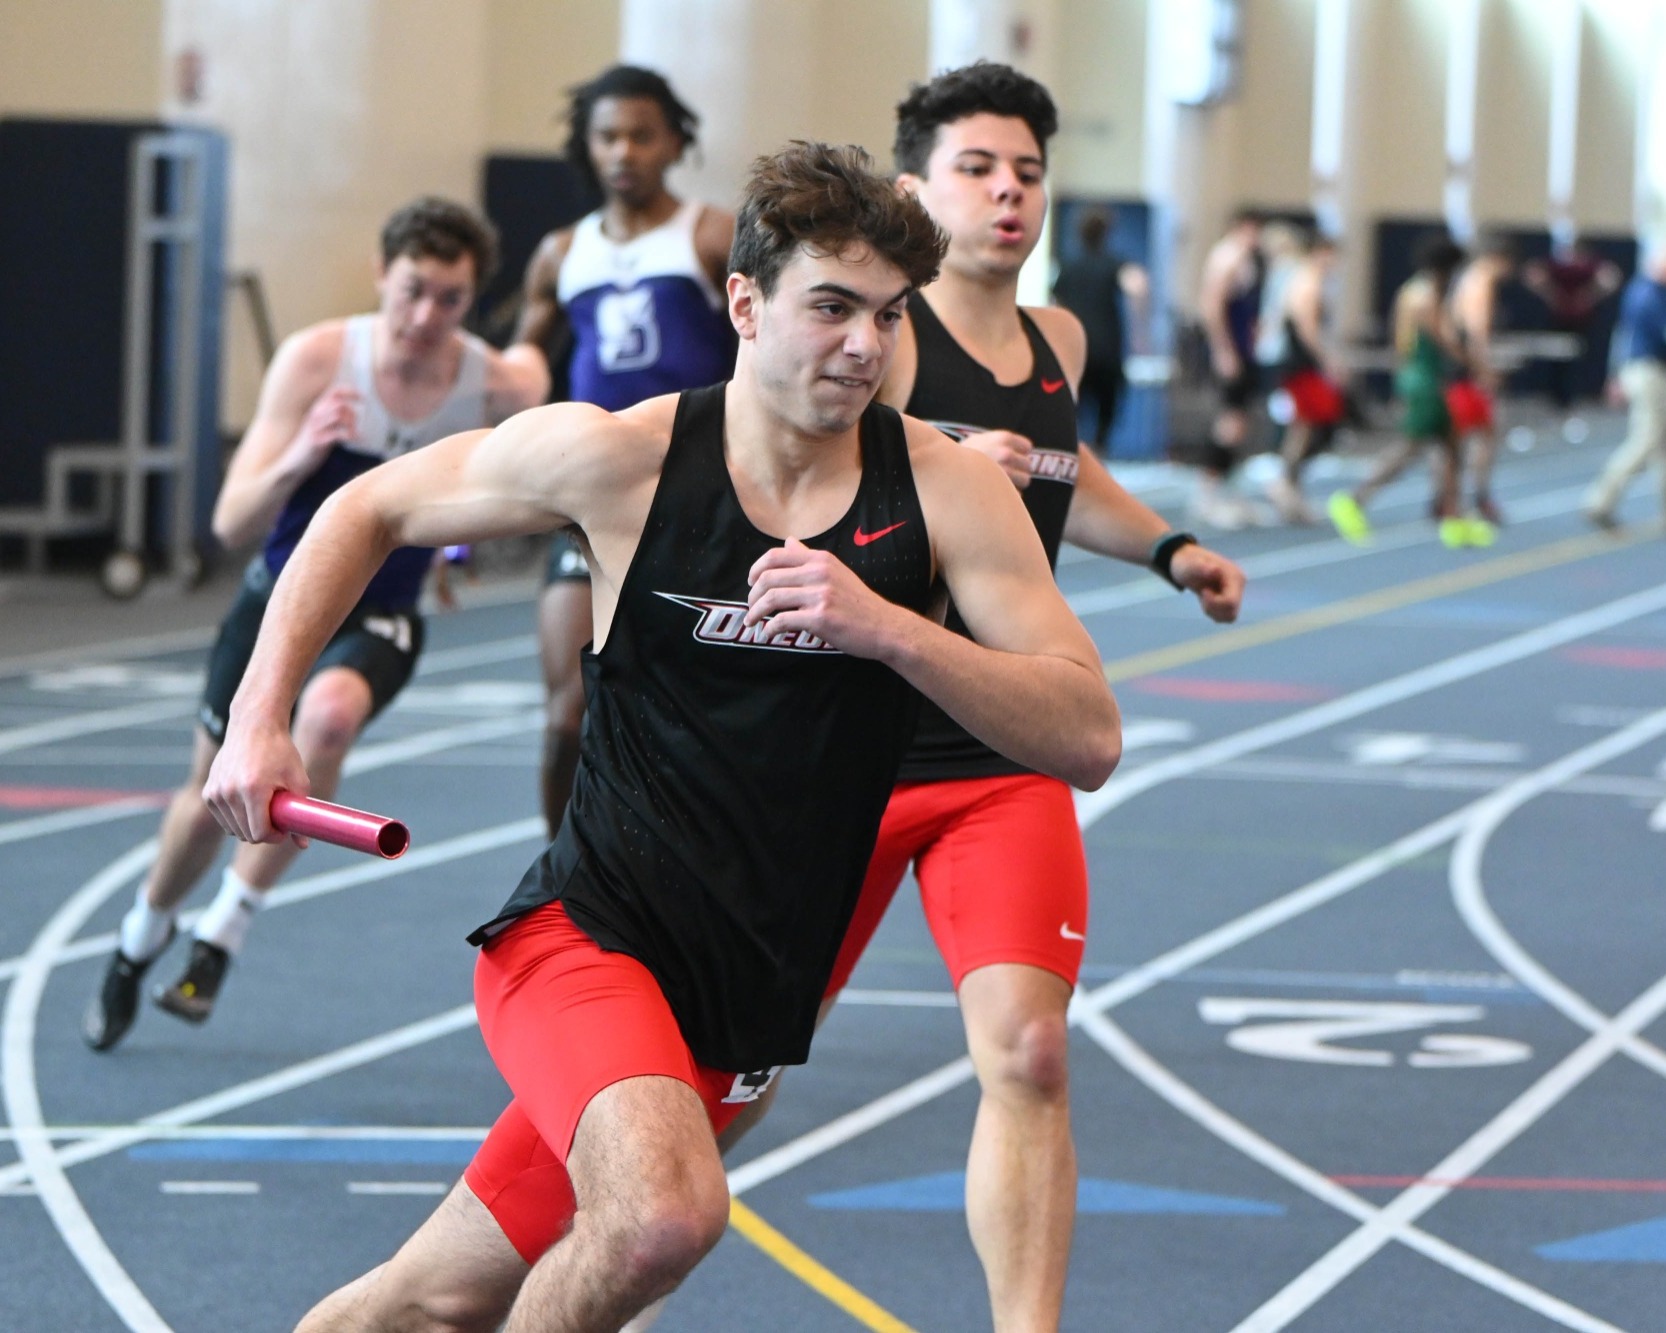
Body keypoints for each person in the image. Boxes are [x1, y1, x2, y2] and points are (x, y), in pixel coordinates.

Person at [203, 142, 1122, 1332]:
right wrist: (260, 719)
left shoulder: (943, 492)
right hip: (584, 941)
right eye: (831, 308)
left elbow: (1088, 734)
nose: (864, 346)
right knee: (664, 1217)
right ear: (743, 303)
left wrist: (891, 632)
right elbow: (364, 504)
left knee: (425, 1304)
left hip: (735, 1004)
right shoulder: (622, 459)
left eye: (888, 318)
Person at [645, 65, 1243, 1333]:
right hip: (845, 750)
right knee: (732, 1070)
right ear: (917, 188)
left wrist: (1171, 550)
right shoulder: (880, 339)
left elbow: (1067, 482)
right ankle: (617, 1254)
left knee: (1029, 1051)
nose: (1009, 192)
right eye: (978, 167)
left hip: (990, 744)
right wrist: (946, 458)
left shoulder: (1060, 339)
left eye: (1027, 171)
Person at [81, 198, 549, 1051]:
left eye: (450, 300)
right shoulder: (320, 360)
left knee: (327, 720)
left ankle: (223, 932)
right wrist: (303, 454)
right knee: (204, 803)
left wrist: (455, 550)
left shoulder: (497, 383)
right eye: (412, 291)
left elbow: (526, 426)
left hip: (382, 613)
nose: (424, 318)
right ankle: (138, 939)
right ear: (381, 273)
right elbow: (227, 524)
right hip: (278, 600)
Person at [515, 64, 737, 839]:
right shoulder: (558, 253)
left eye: (642, 135)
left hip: (698, 501)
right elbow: (518, 378)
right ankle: (556, 882)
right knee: (568, 713)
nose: (624, 152)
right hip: (587, 502)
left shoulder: (711, 236)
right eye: (609, 136)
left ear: (674, 142)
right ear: (588, 144)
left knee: (689, 717)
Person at [1329, 234, 1467, 547]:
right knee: (1412, 447)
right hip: (1424, 378)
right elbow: (1442, 337)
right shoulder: (1425, 296)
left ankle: (1450, 515)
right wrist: (1475, 363)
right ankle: (1355, 498)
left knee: (1450, 448)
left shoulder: (1411, 291)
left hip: (1418, 374)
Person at [1263, 228, 1348, 525]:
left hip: (1298, 361)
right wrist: (1329, 360)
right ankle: (1284, 483)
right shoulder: (1308, 280)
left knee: (1305, 426)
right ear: (1319, 252)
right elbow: (1306, 327)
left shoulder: (1304, 278)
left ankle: (1289, 486)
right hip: (1300, 363)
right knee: (1313, 422)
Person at [1050, 206, 1148, 452]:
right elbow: (1138, 286)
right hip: (1107, 348)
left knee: (1074, 411)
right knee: (1107, 412)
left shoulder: (1068, 267)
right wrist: (1139, 331)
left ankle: (1078, 459)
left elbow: (1055, 306)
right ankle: (1098, 454)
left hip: (1077, 350)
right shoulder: (1113, 264)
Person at [1192, 206, 1266, 529]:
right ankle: (1207, 491)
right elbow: (1211, 306)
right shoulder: (1228, 258)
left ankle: (1224, 487)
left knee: (1238, 422)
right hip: (1230, 350)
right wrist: (1223, 351)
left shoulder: (1246, 260)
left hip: (1242, 348)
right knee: (1230, 421)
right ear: (1241, 227)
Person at [1583, 241, 1666, 529]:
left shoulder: (1644, 291)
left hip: (1646, 370)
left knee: (1661, 445)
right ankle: (1600, 499)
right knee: (1646, 439)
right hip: (1649, 371)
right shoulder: (1648, 296)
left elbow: (1620, 335)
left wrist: (1614, 374)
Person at [1447, 232, 1517, 528]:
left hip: (1459, 368)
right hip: (1468, 372)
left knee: (1462, 437)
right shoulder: (1481, 282)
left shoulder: (1464, 279)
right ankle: (1475, 497)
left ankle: (1456, 498)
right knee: (1480, 436)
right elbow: (1478, 331)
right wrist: (1484, 370)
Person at [1523, 236, 1622, 412]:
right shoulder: (1555, 265)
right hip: (1558, 320)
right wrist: (1552, 295)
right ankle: (1558, 399)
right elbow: (1532, 274)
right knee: (1557, 360)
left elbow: (1611, 276)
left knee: (1578, 360)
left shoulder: (1588, 266)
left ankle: (1574, 397)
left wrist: (1590, 296)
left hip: (1582, 321)